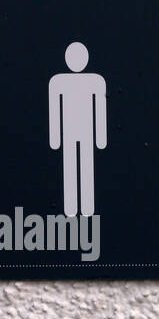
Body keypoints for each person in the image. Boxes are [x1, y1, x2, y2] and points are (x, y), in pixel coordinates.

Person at [48, 42, 106, 217]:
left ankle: (88, 208)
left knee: (86, 166)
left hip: (86, 131)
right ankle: (71, 209)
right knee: (70, 167)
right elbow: (54, 111)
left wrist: (101, 137)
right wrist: (55, 137)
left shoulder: (96, 81)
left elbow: (100, 109)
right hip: (69, 133)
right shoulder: (57, 82)